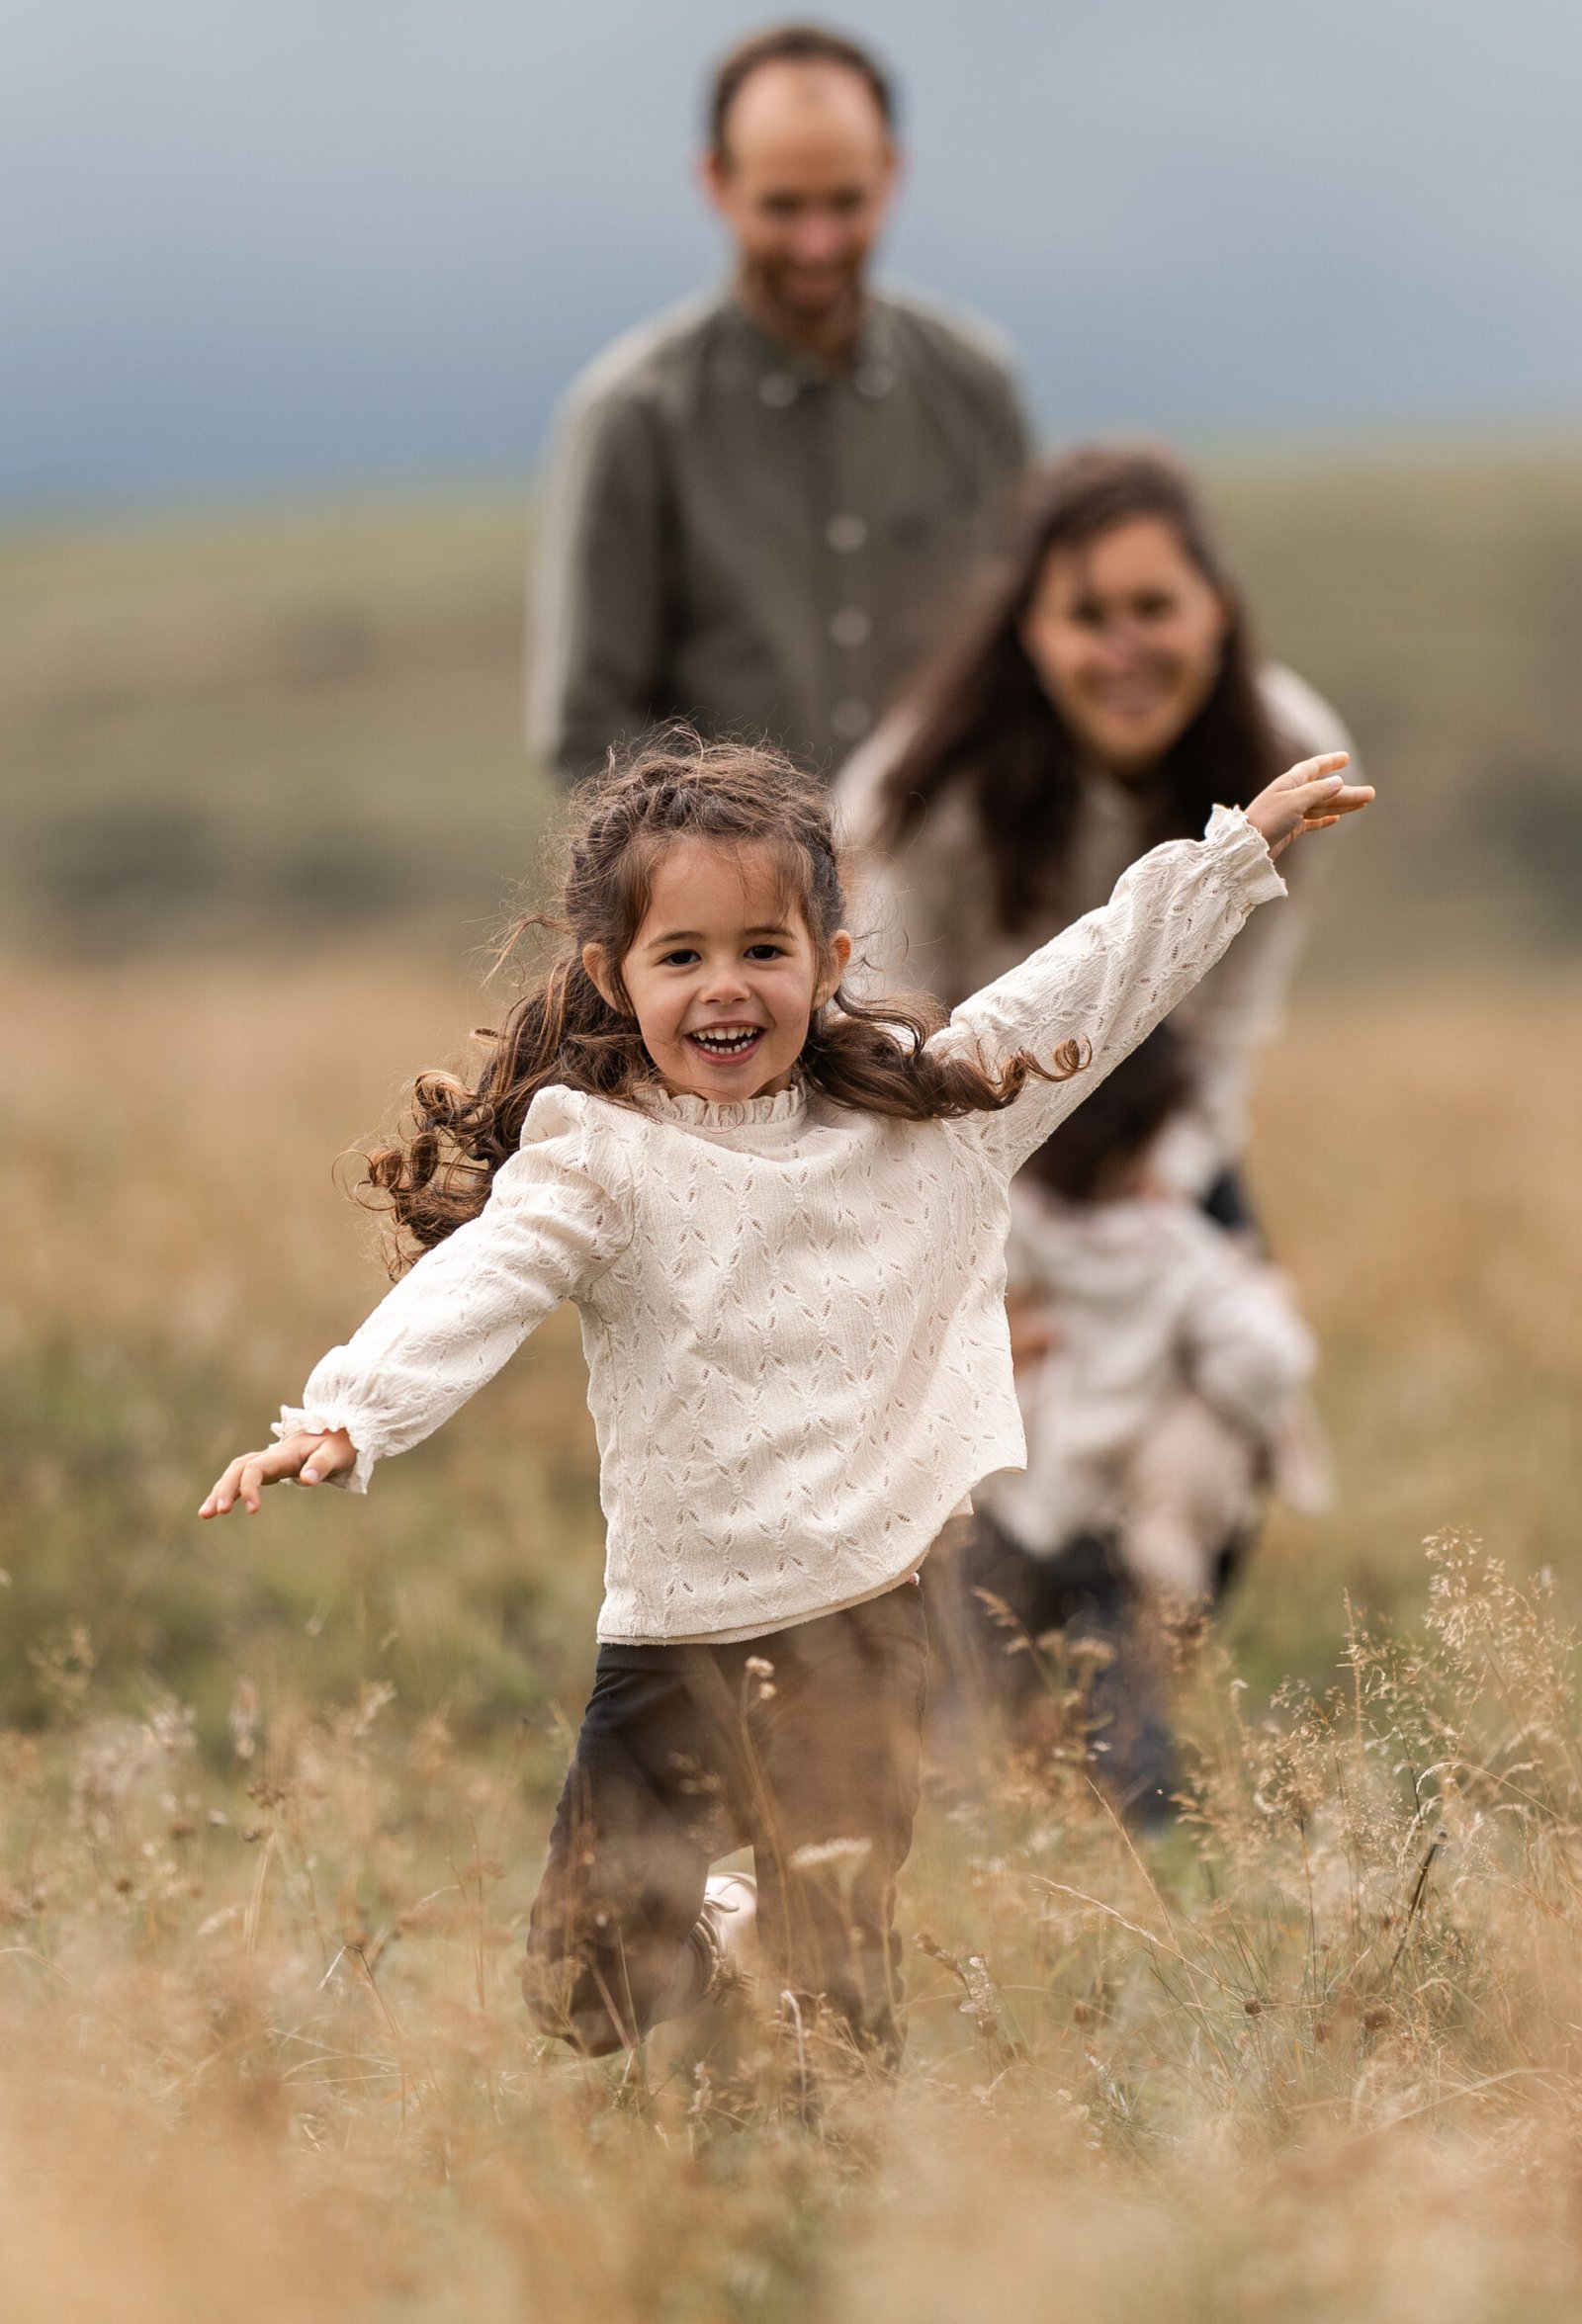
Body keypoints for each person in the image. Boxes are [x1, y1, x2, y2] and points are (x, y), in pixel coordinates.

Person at [201, 733, 1370, 2079]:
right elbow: (483, 1277)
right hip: (675, 1631)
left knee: (839, 2019)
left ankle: (793, 2197)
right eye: (681, 954)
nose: (725, 987)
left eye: (764, 946)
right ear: (612, 976)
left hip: (865, 1625)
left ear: (828, 954)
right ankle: (724, 1937)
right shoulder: (600, 1157)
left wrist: (1231, 859)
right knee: (581, 1977)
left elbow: (1090, 984)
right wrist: (352, 1409)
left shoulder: (934, 1111)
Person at [836, 444, 1361, 1228]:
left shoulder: (1290, 759)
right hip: (948, 1132)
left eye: (1153, 609)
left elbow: (1224, 1029)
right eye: (1086, 617)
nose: (1124, 654)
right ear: (1030, 634)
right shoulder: (926, 784)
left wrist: (1163, 1188)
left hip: (1149, 1132)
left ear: (1216, 608)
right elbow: (883, 1034)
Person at [529, 23, 1029, 788]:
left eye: (845, 202)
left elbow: (1031, 660)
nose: (817, 242)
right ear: (716, 183)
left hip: (960, 891)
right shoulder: (635, 417)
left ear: (892, 173)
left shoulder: (975, 386)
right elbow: (591, 735)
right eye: (783, 207)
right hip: (749, 899)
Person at [952, 1026, 1317, 1812]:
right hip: (1124, 1520)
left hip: (1012, 1506)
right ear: (1145, 1143)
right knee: (1128, 1685)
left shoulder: (1003, 1223)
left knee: (969, 1665)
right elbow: (1267, 1357)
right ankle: (1139, 1815)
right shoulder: (1177, 1247)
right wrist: (1200, 1379)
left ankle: (957, 1797)